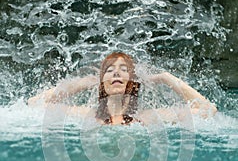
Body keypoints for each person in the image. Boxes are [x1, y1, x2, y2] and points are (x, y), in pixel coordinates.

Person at [28, 52, 217, 125]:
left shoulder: (148, 117)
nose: (116, 74)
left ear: (133, 83)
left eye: (123, 70)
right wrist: (80, 84)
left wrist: (165, 78)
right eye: (109, 70)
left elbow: (208, 110)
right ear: (101, 83)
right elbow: (34, 104)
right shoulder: (87, 115)